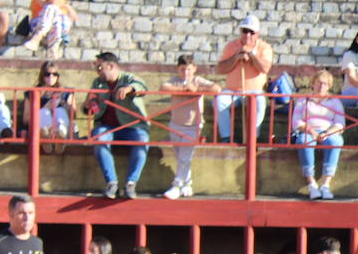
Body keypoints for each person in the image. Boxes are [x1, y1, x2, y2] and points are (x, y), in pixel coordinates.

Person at [85, 52, 148, 199]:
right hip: (107, 127)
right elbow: (89, 105)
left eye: (100, 67)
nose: (97, 70)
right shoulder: (97, 82)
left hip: (132, 126)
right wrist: (87, 105)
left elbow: (141, 86)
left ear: (111, 66)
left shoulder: (127, 78)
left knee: (142, 140)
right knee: (99, 137)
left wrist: (129, 89)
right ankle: (111, 182)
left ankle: (131, 183)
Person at [159, 55, 220, 199]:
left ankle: (176, 186)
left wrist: (196, 89)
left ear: (194, 69)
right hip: (175, 124)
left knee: (185, 157)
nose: (185, 73)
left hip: (193, 126)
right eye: (182, 69)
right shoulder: (175, 80)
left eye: (188, 70)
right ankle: (187, 184)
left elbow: (216, 88)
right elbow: (163, 87)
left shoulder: (198, 80)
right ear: (177, 69)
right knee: (180, 156)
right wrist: (183, 89)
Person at [214, 14, 274, 142]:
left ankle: (253, 137)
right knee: (219, 102)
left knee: (259, 103)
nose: (247, 35)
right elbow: (221, 69)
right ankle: (226, 137)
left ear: (257, 34)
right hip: (232, 90)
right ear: (241, 31)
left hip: (254, 91)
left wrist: (251, 54)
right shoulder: (231, 46)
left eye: (251, 32)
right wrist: (236, 58)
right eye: (245, 31)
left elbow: (265, 68)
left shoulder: (264, 47)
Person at [291, 69, 346, 200]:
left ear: (330, 86)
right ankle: (312, 184)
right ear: (313, 83)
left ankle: (326, 185)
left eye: (325, 84)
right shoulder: (304, 100)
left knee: (336, 142)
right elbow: (296, 121)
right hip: (308, 130)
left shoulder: (335, 101)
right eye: (319, 83)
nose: (322, 86)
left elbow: (340, 123)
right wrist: (311, 131)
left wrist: (327, 133)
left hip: (328, 131)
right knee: (304, 141)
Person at [34, 61, 75, 154]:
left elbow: (74, 115)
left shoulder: (65, 92)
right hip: (40, 126)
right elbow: (26, 118)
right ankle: (46, 137)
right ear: (42, 76)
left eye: (54, 74)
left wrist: (65, 105)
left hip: (62, 123)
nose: (51, 77)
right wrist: (45, 107)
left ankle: (60, 136)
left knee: (60, 110)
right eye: (47, 74)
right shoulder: (35, 93)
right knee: (43, 111)